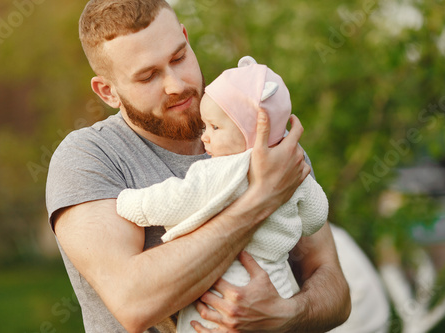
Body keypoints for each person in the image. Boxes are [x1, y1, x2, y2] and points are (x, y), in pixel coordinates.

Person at [45, 0, 351, 332]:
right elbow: (133, 302)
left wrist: (286, 314)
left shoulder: (261, 138)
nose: (176, 85)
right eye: (148, 76)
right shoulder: (90, 157)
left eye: (179, 57)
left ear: (186, 39)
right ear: (108, 92)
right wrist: (262, 197)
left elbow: (335, 288)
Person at [116, 56, 330, 332]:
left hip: (224, 294)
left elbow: (175, 198)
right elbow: (315, 218)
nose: (205, 136)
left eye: (215, 128)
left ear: (253, 130)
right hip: (277, 285)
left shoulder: (221, 170)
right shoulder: (293, 168)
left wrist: (129, 203)